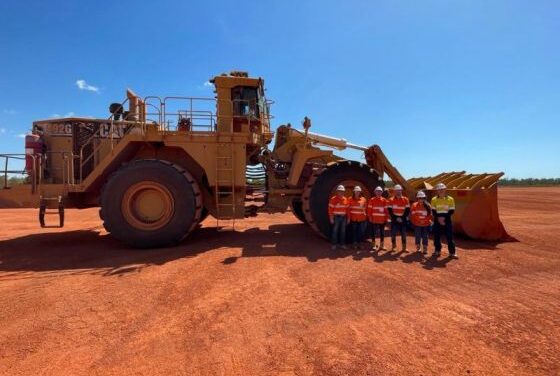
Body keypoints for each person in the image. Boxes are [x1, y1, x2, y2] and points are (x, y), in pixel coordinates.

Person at [431, 183, 458, 258]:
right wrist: (439, 219)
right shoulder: (434, 199)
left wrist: (443, 218)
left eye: (442, 189)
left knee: (449, 237)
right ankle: (437, 251)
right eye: (439, 189)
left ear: (445, 190)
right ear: (437, 191)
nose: (441, 191)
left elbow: (452, 210)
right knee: (436, 237)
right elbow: (433, 211)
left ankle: (452, 253)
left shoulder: (450, 199)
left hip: (447, 220)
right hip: (437, 221)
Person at [388, 184, 410, 252]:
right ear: (394, 191)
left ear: (401, 191)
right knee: (393, 234)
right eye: (396, 190)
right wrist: (396, 218)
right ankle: (393, 246)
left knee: (403, 234)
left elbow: (407, 210)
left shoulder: (405, 199)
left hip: (403, 220)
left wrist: (402, 218)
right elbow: (390, 211)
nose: (398, 192)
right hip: (394, 220)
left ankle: (404, 247)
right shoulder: (391, 200)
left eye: (399, 190)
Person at [367, 186, 389, 250]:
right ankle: (373, 245)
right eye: (377, 191)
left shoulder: (384, 200)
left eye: (380, 191)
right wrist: (370, 218)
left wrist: (386, 218)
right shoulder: (372, 200)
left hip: (382, 220)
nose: (378, 193)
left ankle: (382, 245)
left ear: (381, 192)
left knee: (382, 233)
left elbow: (386, 211)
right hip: (374, 220)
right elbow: (369, 210)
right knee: (373, 233)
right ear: (375, 192)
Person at [328, 184, 349, 250]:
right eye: (340, 191)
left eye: (342, 191)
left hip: (343, 218)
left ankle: (342, 244)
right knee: (335, 231)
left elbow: (347, 210)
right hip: (336, 217)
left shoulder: (345, 199)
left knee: (343, 231)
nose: (341, 192)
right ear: (337, 191)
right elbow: (330, 209)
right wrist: (331, 218)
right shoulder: (333, 199)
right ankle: (334, 244)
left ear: (344, 192)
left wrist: (348, 218)